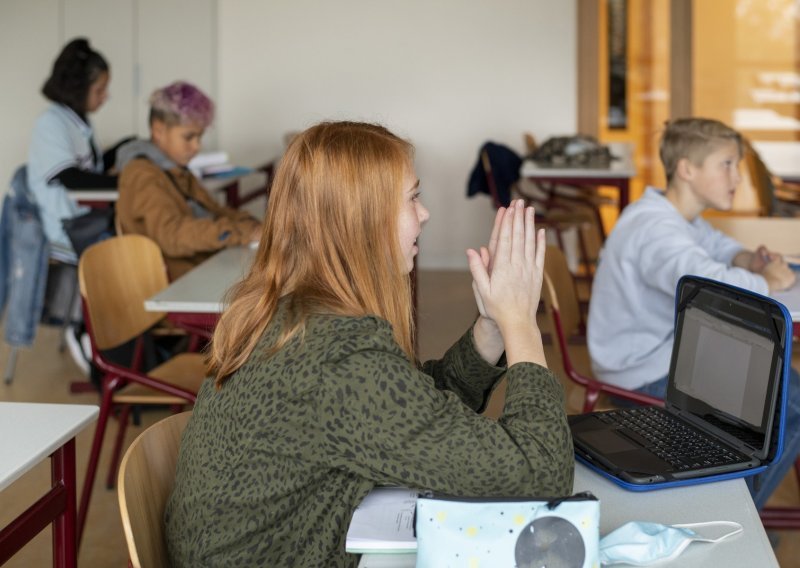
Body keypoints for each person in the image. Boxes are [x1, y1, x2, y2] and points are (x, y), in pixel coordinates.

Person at [164, 121, 574, 566]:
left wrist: (492, 330)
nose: (425, 214)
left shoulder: (293, 314)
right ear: (362, 220)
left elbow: (411, 408)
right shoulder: (337, 360)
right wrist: (522, 326)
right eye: (413, 198)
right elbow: (541, 475)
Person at [587, 117, 800, 509]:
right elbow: (713, 289)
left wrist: (748, 258)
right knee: (784, 402)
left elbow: (716, 249)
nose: (737, 177)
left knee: (780, 386)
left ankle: (742, 503)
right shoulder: (654, 228)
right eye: (727, 164)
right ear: (687, 169)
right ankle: (742, 518)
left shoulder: (674, 217)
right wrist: (769, 281)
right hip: (642, 370)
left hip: (660, 353)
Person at [26, 38, 128, 375]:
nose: (105, 96)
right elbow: (74, 179)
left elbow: (91, 170)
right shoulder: (51, 124)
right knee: (126, 252)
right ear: (78, 88)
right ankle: (88, 331)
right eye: (100, 89)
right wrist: (131, 183)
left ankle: (124, 343)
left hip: (87, 217)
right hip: (65, 226)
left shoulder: (78, 121)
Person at [115, 81, 260, 280]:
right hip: (175, 282)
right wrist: (240, 232)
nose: (196, 146)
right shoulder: (142, 174)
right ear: (158, 130)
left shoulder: (174, 169)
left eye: (199, 137)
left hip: (196, 268)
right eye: (189, 137)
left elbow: (213, 212)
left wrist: (251, 225)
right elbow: (172, 235)